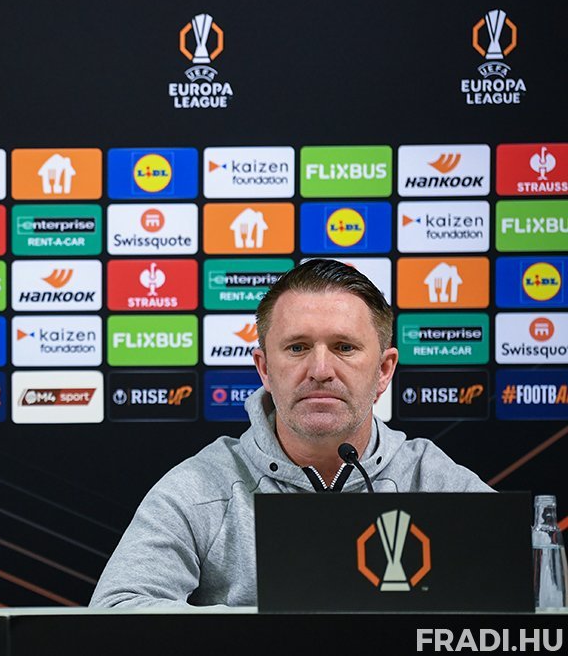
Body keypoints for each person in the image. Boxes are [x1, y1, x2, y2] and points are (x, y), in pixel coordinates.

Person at [89, 258, 492, 608]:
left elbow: (522, 594)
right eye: (298, 347)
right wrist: (274, 632)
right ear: (265, 368)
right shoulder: (203, 487)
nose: (320, 370)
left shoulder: (432, 480)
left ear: (384, 370)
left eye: (344, 347)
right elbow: (115, 608)